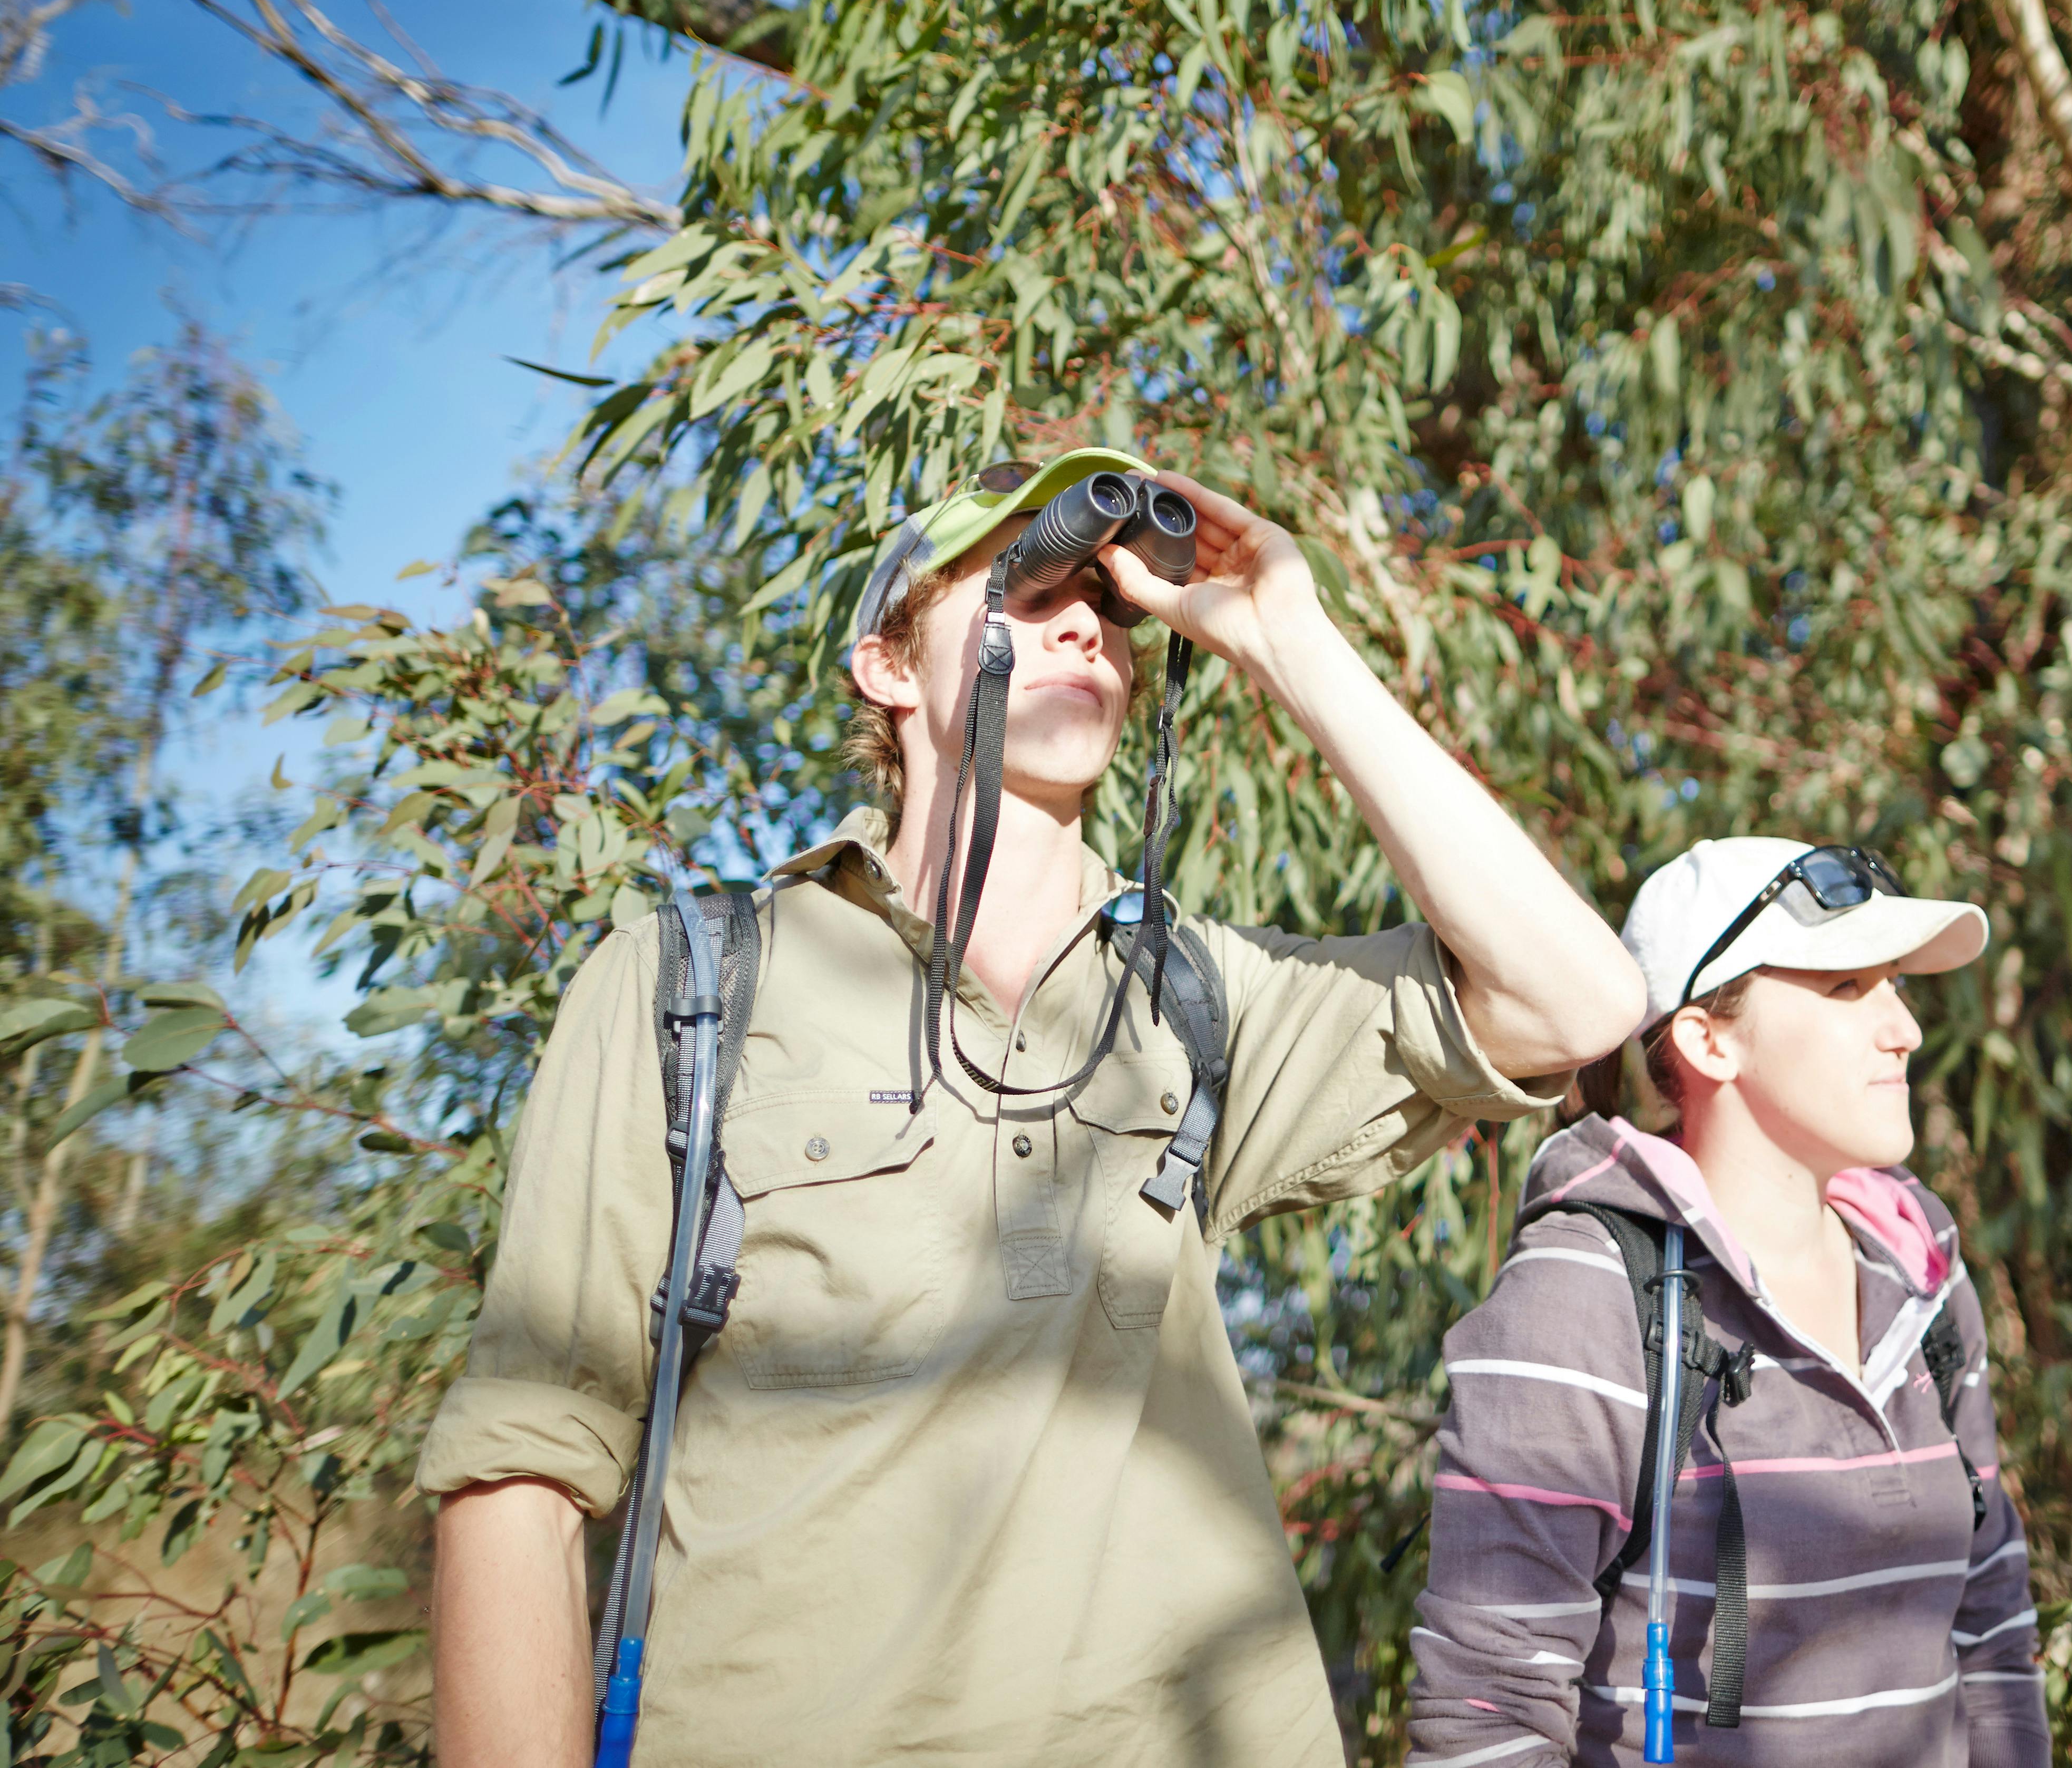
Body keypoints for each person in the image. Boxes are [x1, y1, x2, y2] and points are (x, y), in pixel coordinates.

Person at [421, 450, 1645, 1768]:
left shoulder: (1194, 993)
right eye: (1026, 587)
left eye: (1111, 607)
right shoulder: (695, 984)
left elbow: (1574, 1001)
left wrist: (1288, 640)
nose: (1084, 626)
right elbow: (523, 1466)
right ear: (887, 667)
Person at [1406, 838, 2051, 1768]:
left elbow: (1990, 1626)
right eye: (1846, 987)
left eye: (1897, 987)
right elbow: (1487, 1712)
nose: (1905, 1028)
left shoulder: (1921, 1270)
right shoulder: (1584, 1296)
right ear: (1708, 1040)